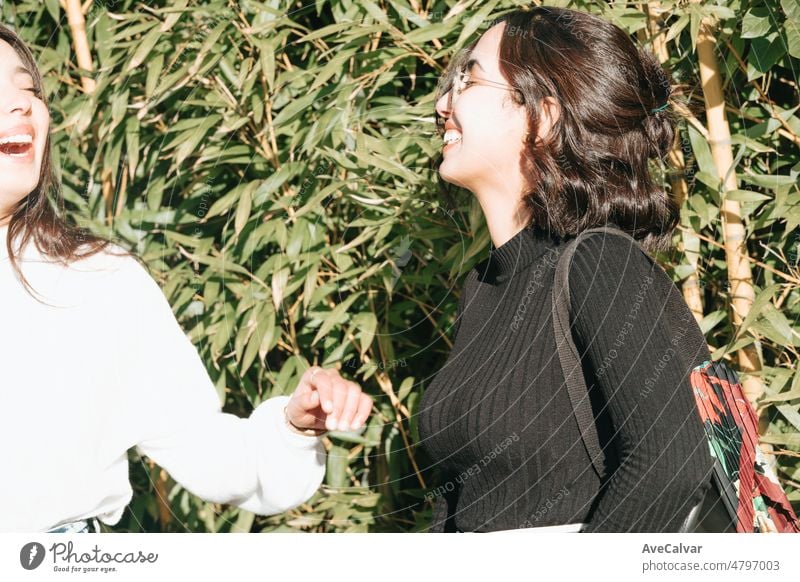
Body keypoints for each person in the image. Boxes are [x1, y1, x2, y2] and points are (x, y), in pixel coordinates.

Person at [0, 23, 373, 533]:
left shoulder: (98, 279)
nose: (20, 105)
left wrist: (292, 425)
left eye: (27, 89)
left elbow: (205, 445)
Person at [418, 6, 715, 533]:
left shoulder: (602, 264)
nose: (443, 103)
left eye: (469, 80)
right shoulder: (484, 287)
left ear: (544, 117)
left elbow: (675, 459)